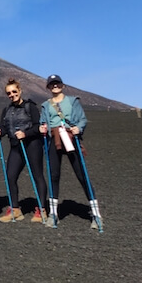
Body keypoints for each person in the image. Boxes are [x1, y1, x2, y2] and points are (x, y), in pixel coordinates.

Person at [39, 75, 103, 230]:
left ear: (62, 85)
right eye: (52, 84)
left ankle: (96, 215)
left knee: (81, 174)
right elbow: (42, 121)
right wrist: (42, 128)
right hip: (53, 139)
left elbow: (82, 120)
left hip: (70, 138)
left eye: (57, 84)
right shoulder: (45, 105)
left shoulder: (72, 101)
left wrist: (78, 129)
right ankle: (53, 214)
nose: (55, 86)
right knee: (54, 175)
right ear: (48, 87)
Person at [0, 78, 47, 223]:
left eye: (14, 92)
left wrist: (26, 133)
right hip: (16, 146)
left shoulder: (30, 107)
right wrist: (0, 132)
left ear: (20, 91)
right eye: (9, 93)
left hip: (32, 145)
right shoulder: (7, 110)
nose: (12, 95)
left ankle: (41, 209)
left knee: (37, 175)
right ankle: (15, 209)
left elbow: (38, 126)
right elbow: (4, 127)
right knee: (10, 176)